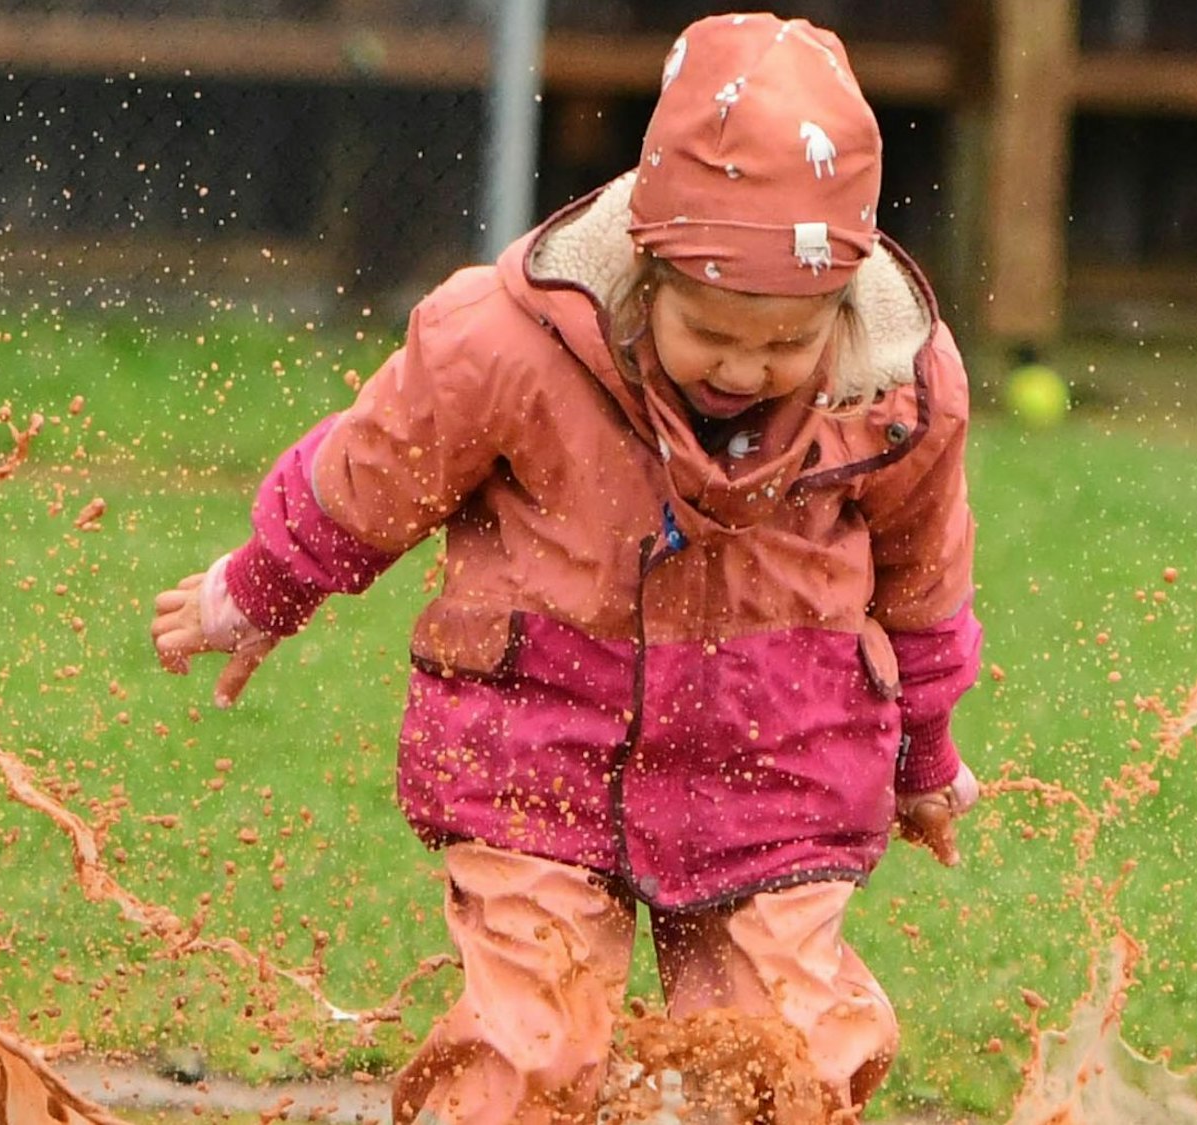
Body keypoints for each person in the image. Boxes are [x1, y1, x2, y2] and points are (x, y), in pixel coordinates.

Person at [150, 12, 983, 1121]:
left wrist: (923, 757)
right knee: (524, 1053)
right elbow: (373, 474)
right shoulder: (505, 346)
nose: (745, 367)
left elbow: (922, 585)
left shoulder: (898, 395)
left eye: (787, 344)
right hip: (537, 755)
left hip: (775, 767)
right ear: (646, 271)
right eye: (712, 333)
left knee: (782, 1063)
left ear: (846, 302)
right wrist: (256, 591)